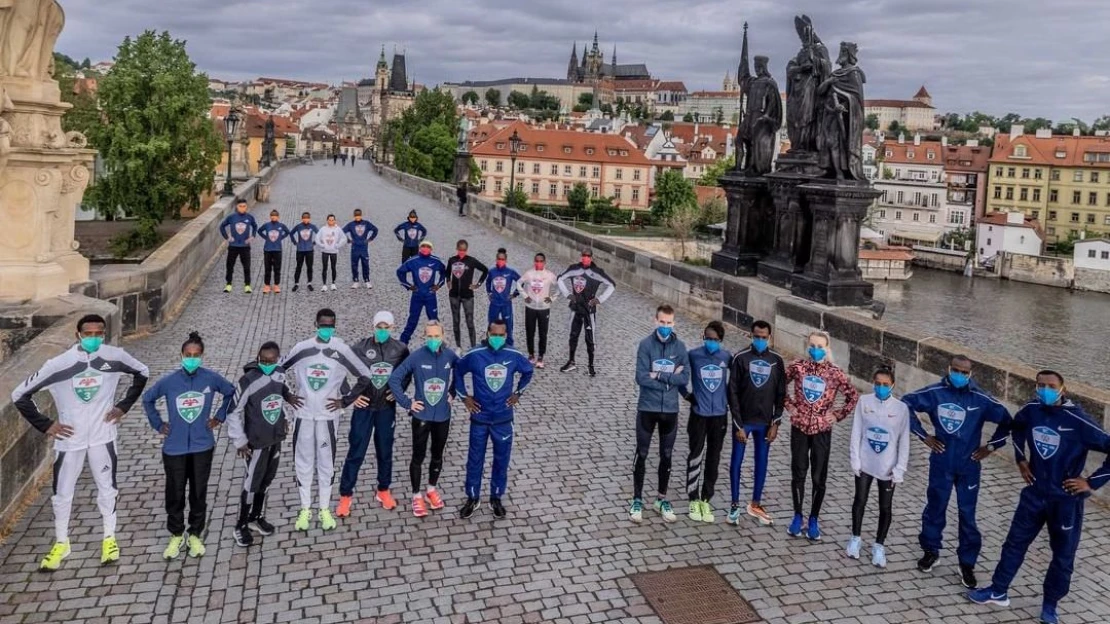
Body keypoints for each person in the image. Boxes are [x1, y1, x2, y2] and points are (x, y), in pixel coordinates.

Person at [967, 371, 1110, 624]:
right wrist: (1021, 458)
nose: (1045, 389)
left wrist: (1091, 481)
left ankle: (1050, 605)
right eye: (1040, 385)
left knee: (1063, 555)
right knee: (1014, 544)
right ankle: (998, 591)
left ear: (1062, 389)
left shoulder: (1078, 420)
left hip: (1065, 500)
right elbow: (1016, 428)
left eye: (1050, 386)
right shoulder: (1032, 410)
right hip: (1034, 494)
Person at [12, 314, 149, 570]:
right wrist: (47, 424)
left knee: (107, 488)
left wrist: (123, 406)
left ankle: (109, 538)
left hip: (102, 437)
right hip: (69, 440)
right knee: (62, 493)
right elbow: (19, 394)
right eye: (88, 333)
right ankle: (62, 542)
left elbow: (142, 372)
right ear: (78, 335)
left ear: (104, 334)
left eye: (99, 333)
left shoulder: (114, 356)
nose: (94, 338)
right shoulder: (59, 364)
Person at [903, 354, 1012, 589]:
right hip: (941, 461)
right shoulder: (935, 393)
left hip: (968, 465)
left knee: (967, 514)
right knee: (935, 507)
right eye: (956, 370)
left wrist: (991, 446)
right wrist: (924, 436)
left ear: (970, 374)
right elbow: (905, 403)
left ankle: (967, 563)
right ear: (948, 369)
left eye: (965, 372)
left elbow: (1008, 421)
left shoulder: (980, 398)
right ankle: (931, 550)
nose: (960, 375)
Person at [142, 331, 235, 560]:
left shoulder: (210, 379)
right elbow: (147, 398)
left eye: (196, 355)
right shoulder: (169, 381)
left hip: (202, 445)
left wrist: (219, 416)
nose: (192, 358)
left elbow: (231, 392)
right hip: (174, 447)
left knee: (198, 492)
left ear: (202, 356)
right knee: (174, 492)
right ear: (181, 355)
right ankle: (176, 534)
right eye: (188, 354)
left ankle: (195, 532)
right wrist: (158, 424)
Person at [280, 309, 373, 532]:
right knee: (303, 462)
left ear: (335, 325)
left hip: (328, 417)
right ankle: (304, 508)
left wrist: (345, 401)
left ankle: (324, 508)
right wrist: (287, 395)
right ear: (316, 324)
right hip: (303, 415)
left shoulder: (341, 350)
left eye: (330, 325)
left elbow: (365, 375)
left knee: (325, 463)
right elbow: (277, 369)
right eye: (323, 324)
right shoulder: (302, 348)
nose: (326, 328)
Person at [227, 342, 304, 547]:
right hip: (256, 442)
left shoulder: (279, 372)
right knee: (251, 483)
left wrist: (288, 402)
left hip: (275, 437)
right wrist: (240, 441)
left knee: (266, 480)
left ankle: (256, 517)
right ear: (258, 357)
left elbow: (281, 391)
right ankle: (241, 525)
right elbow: (233, 411)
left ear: (278, 359)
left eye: (272, 360)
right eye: (264, 360)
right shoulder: (248, 380)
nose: (268, 364)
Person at [784, 330, 859, 541]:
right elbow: (781, 385)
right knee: (798, 472)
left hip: (821, 431)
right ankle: (798, 516)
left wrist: (836, 415)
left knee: (818, 477)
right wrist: (790, 407)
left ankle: (814, 518)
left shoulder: (835, 373)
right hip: (799, 427)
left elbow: (852, 397)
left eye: (820, 347)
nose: (816, 350)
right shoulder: (798, 367)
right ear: (808, 346)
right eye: (813, 346)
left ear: (827, 349)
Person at [454, 320, 533, 519]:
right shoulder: (474, 355)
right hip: (479, 418)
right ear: (487, 333)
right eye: (494, 334)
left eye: (501, 335)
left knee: (501, 460)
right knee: (475, 460)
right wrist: (464, 397)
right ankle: (472, 497)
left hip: (503, 419)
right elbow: (457, 371)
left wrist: (518, 393)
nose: (497, 338)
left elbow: (528, 371)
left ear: (506, 335)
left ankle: (496, 497)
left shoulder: (514, 355)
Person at [337, 311, 409, 517]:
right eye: (380, 327)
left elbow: (408, 372)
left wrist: (398, 392)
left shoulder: (400, 349)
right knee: (356, 452)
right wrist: (350, 396)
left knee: (385, 451)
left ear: (393, 328)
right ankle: (345, 496)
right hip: (364, 407)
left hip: (386, 409)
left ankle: (383, 490)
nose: (383, 330)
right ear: (373, 326)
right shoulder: (360, 347)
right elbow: (339, 368)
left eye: (387, 327)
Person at [388, 321, 460, 517]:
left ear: (443, 336)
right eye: (429, 336)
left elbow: (460, 371)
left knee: (437, 454)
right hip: (422, 416)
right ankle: (416, 495)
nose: (433, 340)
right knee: (418, 457)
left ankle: (431, 489)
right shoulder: (417, 357)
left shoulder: (449, 355)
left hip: (443, 415)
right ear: (424, 337)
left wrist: (453, 392)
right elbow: (394, 379)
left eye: (437, 336)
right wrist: (407, 403)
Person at [630, 304, 690, 524]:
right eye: (662, 322)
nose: (665, 326)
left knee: (667, 455)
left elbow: (684, 379)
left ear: (674, 323)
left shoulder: (681, 347)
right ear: (655, 321)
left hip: (670, 410)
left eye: (669, 323)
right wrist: (669, 376)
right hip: (647, 408)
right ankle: (636, 499)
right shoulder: (646, 345)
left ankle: (661, 499)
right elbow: (641, 377)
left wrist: (658, 375)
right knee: (642, 453)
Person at [847, 367, 911, 568]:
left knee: (885, 507)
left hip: (887, 467)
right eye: (877, 383)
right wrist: (855, 460)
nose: (881, 387)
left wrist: (900, 468)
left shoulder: (901, 409)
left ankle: (879, 545)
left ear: (892, 385)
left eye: (885, 384)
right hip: (866, 463)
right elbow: (856, 431)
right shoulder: (864, 402)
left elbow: (904, 441)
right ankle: (855, 538)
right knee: (860, 500)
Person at [726, 320, 786, 527]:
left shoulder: (777, 360)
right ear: (750, 335)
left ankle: (755, 503)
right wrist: (738, 424)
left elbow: (781, 394)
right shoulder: (740, 358)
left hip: (765, 422)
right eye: (756, 336)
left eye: (764, 337)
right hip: (743, 422)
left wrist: (776, 422)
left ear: (769, 337)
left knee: (762, 462)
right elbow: (732, 392)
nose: (760, 340)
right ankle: (734, 504)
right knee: (736, 462)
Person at [681, 321, 732, 524]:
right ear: (703, 338)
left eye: (715, 340)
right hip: (699, 414)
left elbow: (738, 379)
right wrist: (686, 395)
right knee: (695, 455)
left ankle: (705, 498)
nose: (711, 342)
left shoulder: (726, 357)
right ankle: (693, 498)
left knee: (713, 458)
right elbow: (679, 373)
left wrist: (729, 399)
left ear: (720, 340)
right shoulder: (693, 355)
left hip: (719, 415)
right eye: (708, 339)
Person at [557, 249, 616, 377]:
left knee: (590, 338)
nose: (585, 258)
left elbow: (612, 285)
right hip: (576, 308)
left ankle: (591, 365)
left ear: (591, 258)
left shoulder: (597, 272)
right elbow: (560, 278)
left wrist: (600, 299)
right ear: (581, 257)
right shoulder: (573, 269)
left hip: (589, 311)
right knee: (573, 335)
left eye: (588, 256)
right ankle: (571, 361)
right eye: (583, 255)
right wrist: (567, 294)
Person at [397, 241, 446, 345]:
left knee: (434, 320)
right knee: (412, 321)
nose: (425, 248)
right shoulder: (413, 260)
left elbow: (444, 271)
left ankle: (440, 344)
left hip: (430, 296)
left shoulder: (435, 261)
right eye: (423, 246)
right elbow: (400, 271)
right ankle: (402, 344)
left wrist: (439, 285)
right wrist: (408, 285)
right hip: (417, 296)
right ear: (419, 248)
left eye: (428, 247)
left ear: (431, 249)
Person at [517, 252, 559, 368]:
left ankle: (541, 356)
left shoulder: (550, 275)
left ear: (544, 263)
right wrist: (525, 296)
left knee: (542, 333)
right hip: (530, 308)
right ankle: (531, 354)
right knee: (530, 332)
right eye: (536, 261)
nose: (538, 263)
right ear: (534, 261)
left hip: (544, 309)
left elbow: (559, 286)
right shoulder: (529, 274)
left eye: (541, 261)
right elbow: (519, 283)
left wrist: (551, 298)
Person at [446, 239, 488, 350]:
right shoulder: (452, 260)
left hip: (468, 296)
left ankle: (473, 347)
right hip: (454, 295)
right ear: (457, 249)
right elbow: (447, 272)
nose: (462, 252)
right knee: (456, 321)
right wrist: (448, 281)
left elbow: (485, 270)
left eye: (464, 250)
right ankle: (458, 346)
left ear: (467, 250)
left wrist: (478, 284)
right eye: (460, 250)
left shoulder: (471, 261)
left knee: (470, 321)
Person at [219, 200, 258, 294]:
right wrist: (227, 237)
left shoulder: (250, 217)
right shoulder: (232, 217)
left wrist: (253, 236)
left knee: (247, 266)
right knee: (230, 266)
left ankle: (247, 285)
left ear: (246, 207)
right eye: (240, 206)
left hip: (245, 246)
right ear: (237, 207)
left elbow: (255, 226)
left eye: (244, 206)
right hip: (233, 246)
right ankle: (228, 284)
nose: (242, 208)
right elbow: (222, 226)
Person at [486, 248, 520, 347]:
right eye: (499, 259)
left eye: (502, 259)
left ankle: (509, 345)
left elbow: (521, 281)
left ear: (506, 260)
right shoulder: (492, 271)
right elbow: (488, 282)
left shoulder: (510, 271)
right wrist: (489, 293)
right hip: (494, 303)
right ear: (496, 259)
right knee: (491, 324)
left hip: (506, 304)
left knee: (508, 326)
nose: (501, 261)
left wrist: (515, 294)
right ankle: (490, 343)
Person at [343, 209, 379, 289]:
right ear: (354, 216)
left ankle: (367, 280)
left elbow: (375, 230)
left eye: (359, 216)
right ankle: (355, 281)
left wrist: (370, 239)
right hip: (354, 248)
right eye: (356, 216)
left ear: (361, 215)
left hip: (363, 248)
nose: (357, 217)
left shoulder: (366, 223)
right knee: (354, 264)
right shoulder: (351, 225)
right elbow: (342, 232)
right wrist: (348, 240)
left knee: (365, 264)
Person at [256, 210, 290, 294]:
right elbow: (259, 231)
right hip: (267, 249)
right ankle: (267, 285)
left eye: (275, 216)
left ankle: (276, 285)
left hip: (277, 250)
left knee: (277, 268)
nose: (273, 217)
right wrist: (266, 237)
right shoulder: (267, 225)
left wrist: (280, 238)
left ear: (278, 217)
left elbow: (287, 232)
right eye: (272, 216)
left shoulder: (281, 226)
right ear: (270, 217)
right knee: (267, 268)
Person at [314, 214, 345, 291]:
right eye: (329, 220)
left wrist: (338, 245)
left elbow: (344, 238)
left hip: (334, 251)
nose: (331, 221)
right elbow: (317, 238)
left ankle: (333, 283)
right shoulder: (323, 229)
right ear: (327, 220)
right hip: (325, 251)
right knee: (324, 267)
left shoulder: (338, 229)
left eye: (332, 220)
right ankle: (324, 284)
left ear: (335, 220)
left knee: (333, 267)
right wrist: (321, 245)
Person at [289, 212, 318, 292]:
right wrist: (295, 242)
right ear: (302, 219)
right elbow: (291, 233)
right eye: (304, 218)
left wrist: (314, 243)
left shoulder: (312, 226)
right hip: (300, 250)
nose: (306, 219)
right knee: (299, 267)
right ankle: (296, 283)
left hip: (309, 250)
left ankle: (309, 283)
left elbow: (319, 234)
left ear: (309, 219)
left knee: (309, 267)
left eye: (307, 218)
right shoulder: (298, 226)